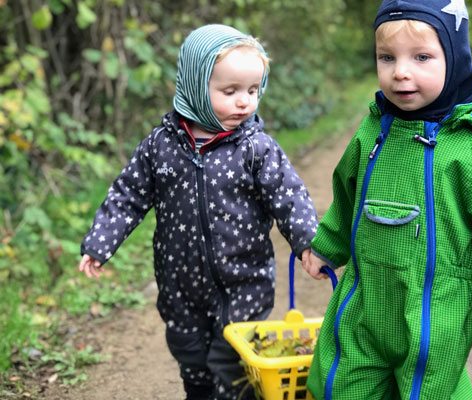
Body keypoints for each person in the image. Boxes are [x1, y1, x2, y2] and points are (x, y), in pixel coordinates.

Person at [302, 1, 472, 399]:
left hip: (436, 306)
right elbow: (346, 194)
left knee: (429, 390)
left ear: (455, 59)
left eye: (422, 57)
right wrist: (327, 245)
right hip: (365, 293)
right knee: (342, 382)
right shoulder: (374, 129)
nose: (400, 71)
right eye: (386, 57)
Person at [78, 24, 318, 400]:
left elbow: (289, 196)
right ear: (194, 86)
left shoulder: (256, 148)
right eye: (230, 91)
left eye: (253, 91)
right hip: (179, 283)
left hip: (244, 281)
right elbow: (128, 194)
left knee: (232, 365)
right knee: (191, 358)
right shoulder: (160, 146)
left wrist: (307, 242)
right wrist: (100, 242)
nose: (245, 102)